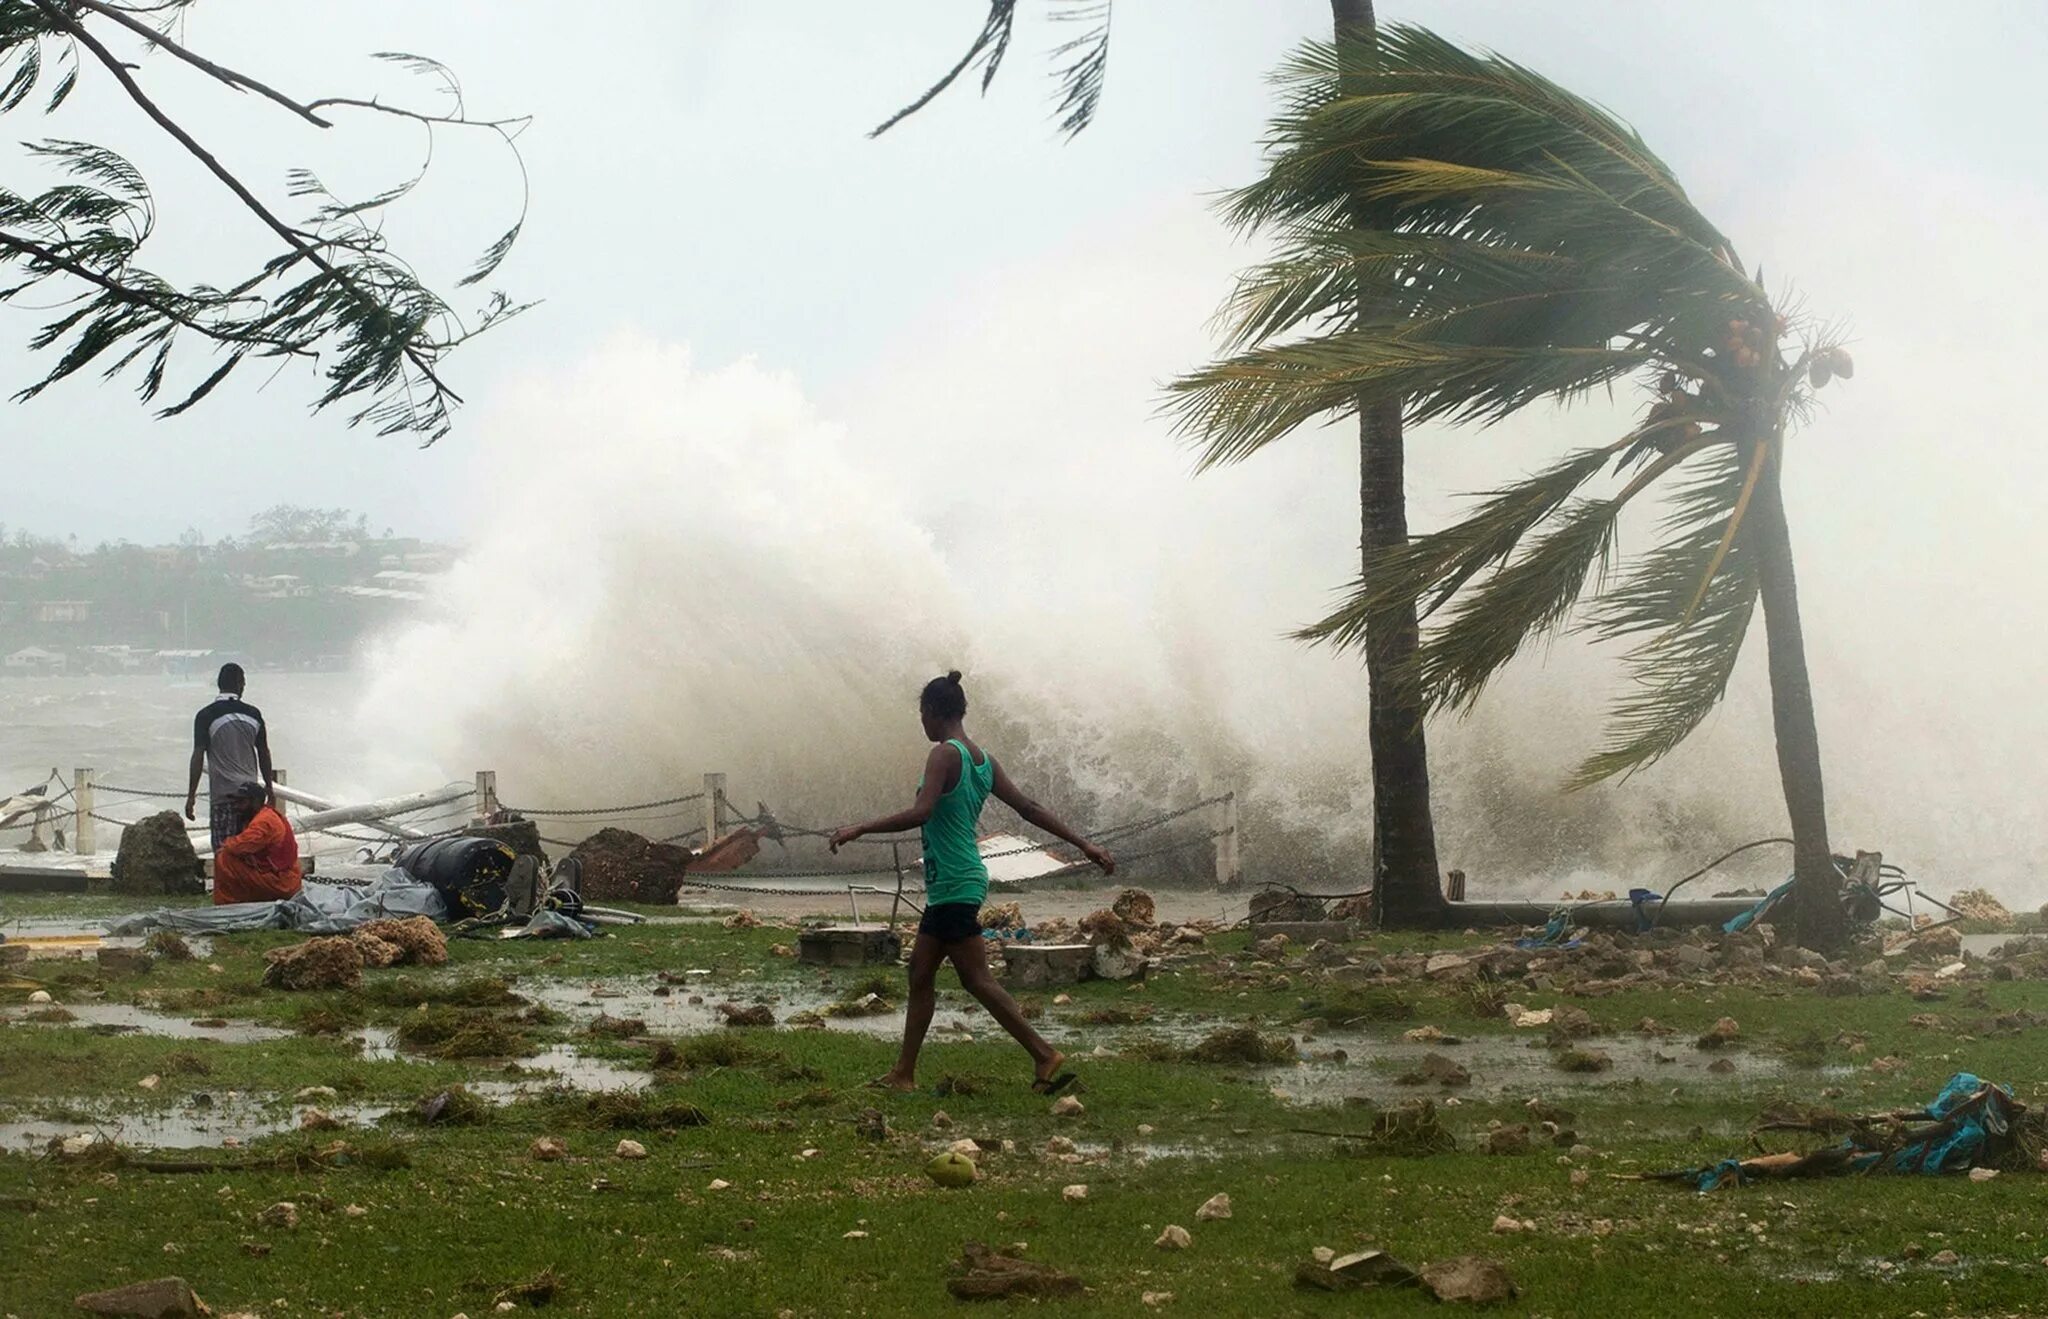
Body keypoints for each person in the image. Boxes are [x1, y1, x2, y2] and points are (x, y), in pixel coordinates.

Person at [830, 670, 1114, 1094]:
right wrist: (1084, 844)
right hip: (956, 880)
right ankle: (903, 1074)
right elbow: (1030, 808)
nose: (921, 724)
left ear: (931, 712)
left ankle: (1043, 1054)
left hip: (956, 882)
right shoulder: (983, 760)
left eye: (921, 715)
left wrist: (859, 828)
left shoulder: (945, 755)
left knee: (976, 978)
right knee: (920, 973)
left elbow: (923, 811)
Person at [185, 662, 274, 854]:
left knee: (225, 855)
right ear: (240, 684)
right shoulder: (253, 714)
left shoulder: (205, 715)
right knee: (252, 855)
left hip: (224, 798)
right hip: (252, 799)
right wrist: (270, 789)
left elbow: (198, 755)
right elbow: (264, 752)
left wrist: (191, 796)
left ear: (219, 684)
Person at [211, 780, 303, 904]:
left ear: (255, 802)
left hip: (282, 882)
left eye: (242, 802)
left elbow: (238, 846)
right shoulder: (265, 815)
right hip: (283, 877)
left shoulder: (263, 822)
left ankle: (227, 904)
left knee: (224, 858)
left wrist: (226, 844)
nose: (237, 806)